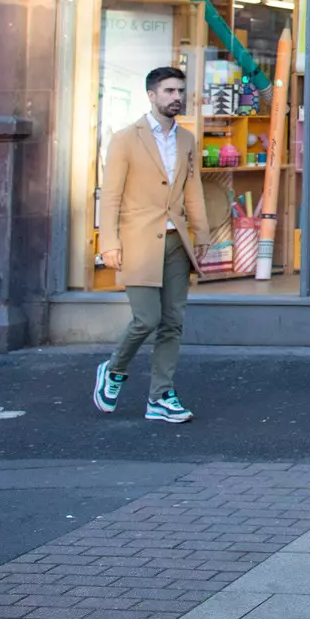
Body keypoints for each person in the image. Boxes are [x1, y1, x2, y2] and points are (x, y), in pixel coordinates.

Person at [92, 67, 207, 423]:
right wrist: (109, 242)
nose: (177, 97)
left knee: (173, 321)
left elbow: (193, 189)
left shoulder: (186, 140)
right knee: (147, 319)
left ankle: (160, 397)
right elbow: (110, 196)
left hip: (177, 242)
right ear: (151, 95)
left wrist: (200, 233)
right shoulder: (127, 138)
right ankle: (113, 369)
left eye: (180, 91)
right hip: (138, 241)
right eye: (169, 90)